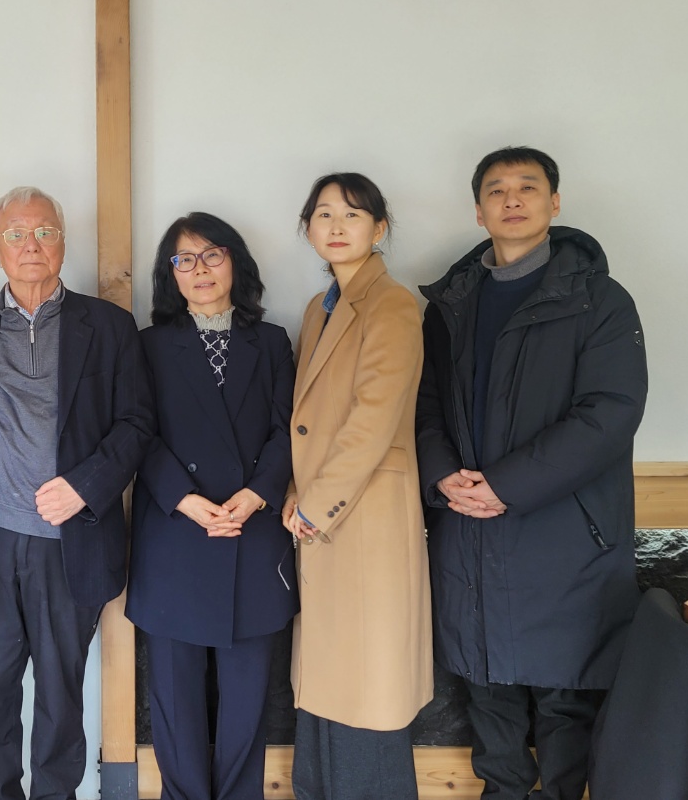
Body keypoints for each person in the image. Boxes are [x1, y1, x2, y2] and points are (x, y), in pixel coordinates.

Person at [416, 146, 648, 800]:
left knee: (564, 698)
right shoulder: (451, 305)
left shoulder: (598, 300)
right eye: (496, 189)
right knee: (486, 691)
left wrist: (506, 486)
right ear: (478, 210)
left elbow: (609, 411)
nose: (511, 198)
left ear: (554, 202)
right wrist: (443, 477)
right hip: (468, 528)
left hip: (563, 532)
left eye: (527, 186)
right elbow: (424, 406)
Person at [0, 186, 154, 800]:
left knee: (60, 692)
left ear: (63, 242)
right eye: (17, 234)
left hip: (70, 541)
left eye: (45, 232)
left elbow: (137, 424)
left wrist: (84, 487)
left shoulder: (109, 326)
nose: (32, 245)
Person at [125, 213, 295, 800]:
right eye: (184, 259)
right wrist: (185, 498)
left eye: (212, 255)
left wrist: (256, 493)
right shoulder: (147, 345)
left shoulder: (271, 342)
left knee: (248, 700)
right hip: (175, 532)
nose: (199, 270)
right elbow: (137, 432)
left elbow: (289, 429)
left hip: (253, 530)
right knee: (175, 701)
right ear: (169, 274)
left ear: (235, 263)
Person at [281, 173, 432, 800]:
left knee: (368, 685)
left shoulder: (391, 304)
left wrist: (315, 504)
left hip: (362, 516)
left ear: (379, 228)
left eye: (352, 214)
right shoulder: (319, 310)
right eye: (324, 214)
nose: (337, 226)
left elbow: (374, 417)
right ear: (308, 229)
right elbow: (307, 422)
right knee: (329, 680)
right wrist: (296, 495)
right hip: (321, 514)